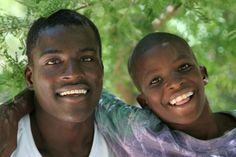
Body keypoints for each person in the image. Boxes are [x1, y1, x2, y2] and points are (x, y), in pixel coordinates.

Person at [1, 31, 236, 156]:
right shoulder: (139, 132)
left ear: (203, 73)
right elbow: (69, 90)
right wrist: (10, 114)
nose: (175, 83)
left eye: (183, 67)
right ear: (143, 102)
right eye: (155, 80)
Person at [1, 9, 115, 157]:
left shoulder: (128, 140)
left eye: (87, 59)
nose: (73, 74)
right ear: (30, 78)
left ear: (101, 69)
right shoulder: (7, 142)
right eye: (53, 61)